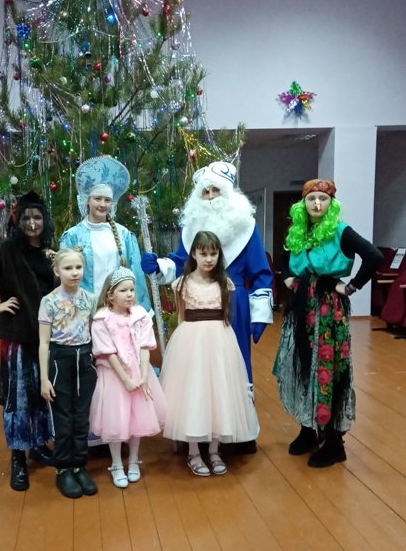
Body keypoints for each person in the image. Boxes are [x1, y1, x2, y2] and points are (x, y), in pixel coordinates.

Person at [141, 161, 273, 453]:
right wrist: (159, 266)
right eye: (206, 191)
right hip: (197, 310)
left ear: (229, 194)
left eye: (216, 190)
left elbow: (260, 272)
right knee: (198, 369)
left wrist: (259, 313)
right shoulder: (190, 229)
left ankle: (238, 432)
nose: (211, 196)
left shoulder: (246, 227)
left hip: (233, 305)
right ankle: (197, 428)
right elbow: (180, 264)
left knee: (234, 367)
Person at [273, 179, 383, 468]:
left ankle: (334, 442)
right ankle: (308, 429)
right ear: (303, 203)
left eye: (323, 198)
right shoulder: (299, 230)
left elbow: (374, 256)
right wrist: (288, 277)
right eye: (312, 199)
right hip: (301, 307)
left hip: (327, 310)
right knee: (302, 365)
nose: (317, 203)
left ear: (331, 203)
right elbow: (284, 258)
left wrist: (351, 286)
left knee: (328, 369)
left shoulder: (340, 231)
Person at [0, 191, 55, 491]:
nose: (32, 223)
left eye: (37, 217)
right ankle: (18, 456)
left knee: (42, 393)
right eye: (27, 217)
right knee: (18, 398)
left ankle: (39, 445)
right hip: (18, 335)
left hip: (46, 335)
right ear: (18, 221)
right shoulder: (5, 251)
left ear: (44, 220)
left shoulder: (49, 252)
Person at [160, 231, 260, 476]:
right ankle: (194, 451)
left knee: (218, 391)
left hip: (219, 341)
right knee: (194, 392)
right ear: (193, 254)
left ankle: (215, 449)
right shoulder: (182, 283)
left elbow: (226, 315)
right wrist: (180, 348)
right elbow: (181, 317)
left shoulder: (225, 283)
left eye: (213, 254)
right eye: (203, 253)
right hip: (191, 341)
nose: (208, 259)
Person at [89, 267, 166, 488]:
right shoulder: (102, 319)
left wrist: (144, 377)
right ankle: (116, 463)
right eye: (123, 290)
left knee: (138, 417)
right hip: (114, 375)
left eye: (132, 289)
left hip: (138, 372)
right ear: (110, 294)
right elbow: (108, 353)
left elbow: (145, 347)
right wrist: (125, 379)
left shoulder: (140, 315)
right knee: (116, 418)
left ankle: (133, 459)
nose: (130, 294)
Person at [38, 248, 99, 499]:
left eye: (78, 267)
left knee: (81, 417)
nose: (74, 273)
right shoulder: (49, 301)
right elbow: (43, 342)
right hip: (59, 360)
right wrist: (44, 379)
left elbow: (95, 332)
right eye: (68, 268)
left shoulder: (90, 298)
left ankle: (79, 466)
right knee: (63, 418)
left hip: (84, 359)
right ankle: (63, 468)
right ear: (57, 271)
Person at [59, 155, 151, 311]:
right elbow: (65, 277)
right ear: (87, 200)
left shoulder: (124, 235)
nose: (102, 204)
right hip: (84, 311)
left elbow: (135, 274)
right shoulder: (72, 236)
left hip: (118, 312)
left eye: (107, 200)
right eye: (97, 198)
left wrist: (140, 311)